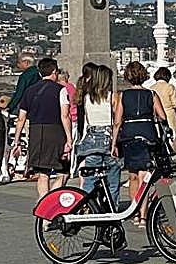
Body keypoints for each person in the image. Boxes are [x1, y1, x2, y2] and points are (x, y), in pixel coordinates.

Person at [10, 57, 70, 201]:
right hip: (55, 132)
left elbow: (21, 119)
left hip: (36, 132)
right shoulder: (61, 90)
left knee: (43, 173)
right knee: (63, 172)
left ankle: (44, 204)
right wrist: (69, 138)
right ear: (54, 72)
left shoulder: (29, 91)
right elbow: (65, 115)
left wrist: (16, 141)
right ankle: (51, 201)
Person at [116, 61, 166, 221]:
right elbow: (162, 116)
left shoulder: (123, 95)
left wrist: (113, 143)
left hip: (129, 134)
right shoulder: (151, 94)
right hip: (147, 133)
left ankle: (135, 211)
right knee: (144, 175)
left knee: (133, 176)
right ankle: (144, 215)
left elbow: (117, 121)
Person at [74, 64, 122, 212]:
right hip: (108, 139)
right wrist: (115, 142)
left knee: (89, 180)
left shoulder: (87, 98)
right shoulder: (113, 97)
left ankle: (86, 206)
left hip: (91, 139)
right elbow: (117, 121)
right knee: (113, 180)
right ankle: (111, 209)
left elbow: (86, 121)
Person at [150, 67, 176, 151]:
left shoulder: (151, 88)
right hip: (169, 114)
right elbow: (175, 103)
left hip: (156, 115)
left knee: (159, 136)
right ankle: (173, 155)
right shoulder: (170, 87)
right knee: (173, 136)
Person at [7, 52, 39, 117]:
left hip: (28, 105)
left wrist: (10, 107)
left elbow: (19, 94)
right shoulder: (39, 72)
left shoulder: (25, 76)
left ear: (26, 62)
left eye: (19, 62)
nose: (18, 65)